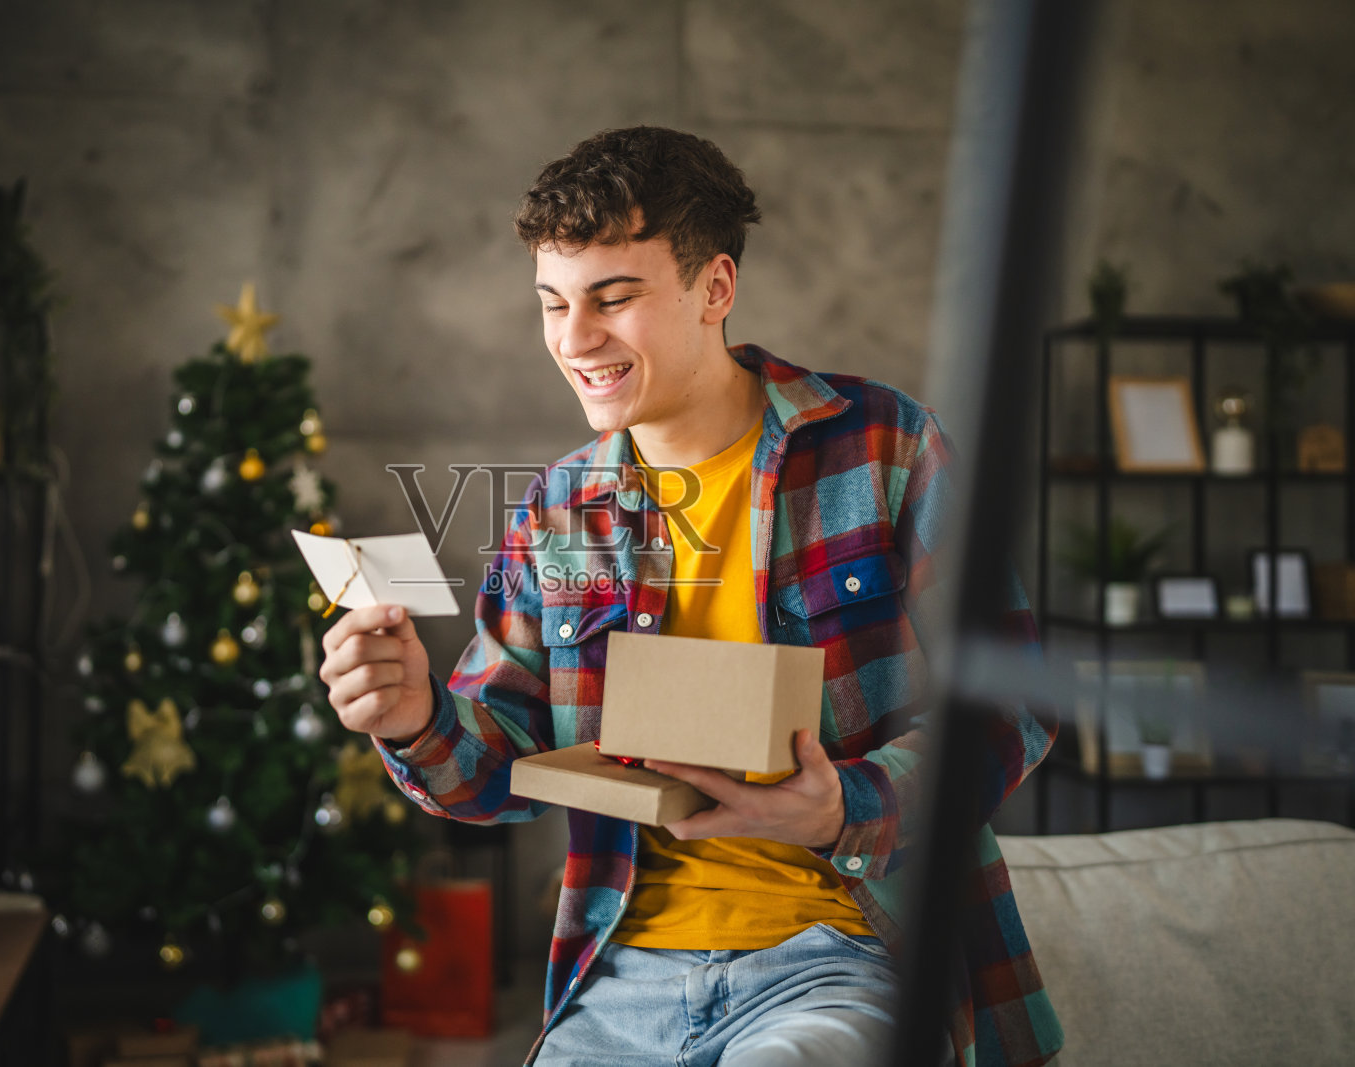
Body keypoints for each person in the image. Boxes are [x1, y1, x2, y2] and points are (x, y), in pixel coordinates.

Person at [320, 126, 1063, 1067]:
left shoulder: (885, 447)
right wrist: (417, 714)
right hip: (619, 974)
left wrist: (844, 804)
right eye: (552, 304)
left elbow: (1014, 709)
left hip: (844, 957)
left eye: (613, 299)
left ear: (715, 288)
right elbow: (497, 768)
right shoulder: (558, 509)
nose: (574, 339)